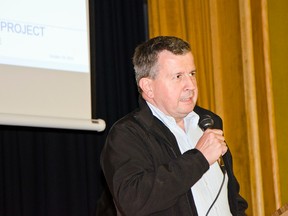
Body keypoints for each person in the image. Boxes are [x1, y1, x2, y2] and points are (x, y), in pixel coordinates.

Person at [100, 36, 248, 216]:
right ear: (148, 87)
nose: (190, 86)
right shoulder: (127, 134)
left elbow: (231, 198)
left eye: (192, 74)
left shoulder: (208, 122)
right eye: (178, 76)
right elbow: (133, 201)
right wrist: (199, 159)